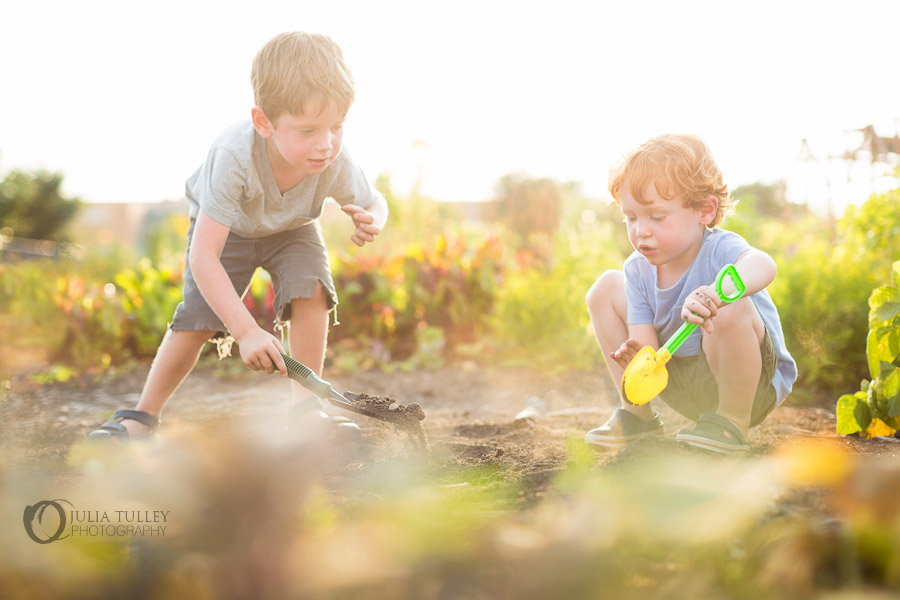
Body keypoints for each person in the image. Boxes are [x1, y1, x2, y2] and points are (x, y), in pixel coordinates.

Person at [90, 32, 387, 441]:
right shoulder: (234, 155)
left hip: (292, 230)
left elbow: (375, 201)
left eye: (337, 126)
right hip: (227, 235)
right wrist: (246, 332)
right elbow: (204, 257)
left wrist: (373, 219)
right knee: (196, 318)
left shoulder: (335, 157)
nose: (326, 144)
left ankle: (306, 410)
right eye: (307, 131)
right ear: (263, 122)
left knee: (311, 288)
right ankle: (142, 417)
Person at [583, 134, 796, 454]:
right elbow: (649, 349)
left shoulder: (720, 249)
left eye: (656, 216)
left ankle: (731, 422)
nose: (641, 229)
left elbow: (763, 265)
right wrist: (639, 359)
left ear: (705, 211)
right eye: (631, 217)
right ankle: (637, 414)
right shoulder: (638, 270)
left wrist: (718, 294)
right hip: (681, 384)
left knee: (729, 304)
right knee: (605, 288)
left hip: (750, 388)